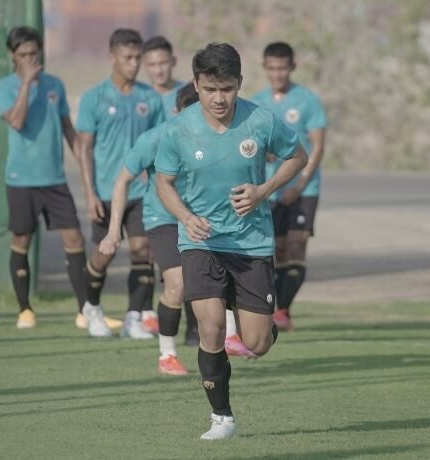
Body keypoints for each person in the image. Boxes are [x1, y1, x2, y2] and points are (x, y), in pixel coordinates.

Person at [155, 43, 307, 439]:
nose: (218, 98)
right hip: (200, 242)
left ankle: (263, 326)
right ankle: (221, 417)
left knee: (256, 343)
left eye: (226, 89)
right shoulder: (179, 129)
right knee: (209, 329)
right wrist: (186, 216)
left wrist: (264, 190)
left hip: (251, 244)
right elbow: (163, 182)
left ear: (239, 84)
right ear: (196, 85)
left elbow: (298, 156)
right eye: (209, 89)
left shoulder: (260, 121)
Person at [99, 84, 255, 377]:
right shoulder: (155, 138)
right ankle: (166, 355)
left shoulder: (217, 136)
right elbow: (122, 181)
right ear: (177, 112)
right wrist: (112, 230)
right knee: (178, 285)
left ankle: (230, 337)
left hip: (205, 219)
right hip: (165, 219)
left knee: (226, 277)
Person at [0, 26, 87, 329]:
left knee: (75, 238)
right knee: (21, 239)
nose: (30, 59)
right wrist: (26, 85)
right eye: (23, 55)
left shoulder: (55, 85)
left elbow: (67, 128)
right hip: (21, 180)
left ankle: (86, 311)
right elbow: (17, 121)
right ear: (13, 56)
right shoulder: (4, 87)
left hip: (55, 179)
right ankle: (25, 310)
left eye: (34, 53)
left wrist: (83, 159)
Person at [75, 28, 164, 338]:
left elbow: (159, 142)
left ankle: (133, 318)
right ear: (112, 57)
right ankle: (92, 307)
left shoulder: (150, 98)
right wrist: (88, 193)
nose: (134, 63)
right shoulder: (94, 98)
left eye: (138, 57)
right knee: (105, 253)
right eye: (128, 57)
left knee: (142, 251)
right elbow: (83, 147)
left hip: (141, 192)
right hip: (104, 190)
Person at [251, 42, 327, 331]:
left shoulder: (308, 100)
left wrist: (301, 182)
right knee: (278, 250)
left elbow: (317, 147)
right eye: (271, 68)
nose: (277, 74)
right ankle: (278, 310)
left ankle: (281, 310)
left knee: (297, 246)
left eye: (282, 68)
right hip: (270, 188)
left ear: (292, 67)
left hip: (303, 189)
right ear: (265, 68)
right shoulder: (257, 102)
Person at [142, 36, 186, 120]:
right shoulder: (141, 97)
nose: (158, 71)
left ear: (173, 61)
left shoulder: (187, 93)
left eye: (163, 63)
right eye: (152, 65)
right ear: (145, 66)